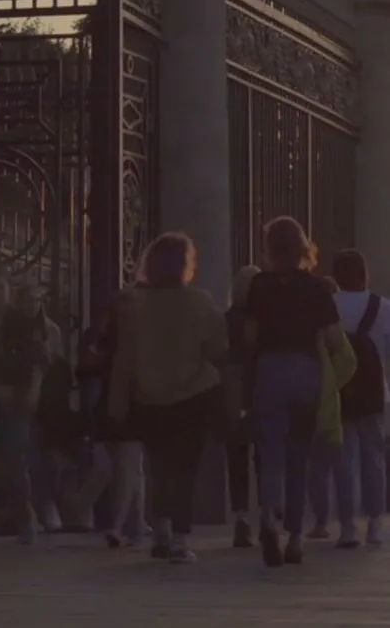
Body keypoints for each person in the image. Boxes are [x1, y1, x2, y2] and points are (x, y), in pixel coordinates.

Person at [108, 232, 228, 564]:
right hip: (192, 394)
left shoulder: (132, 304)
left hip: (147, 396)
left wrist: (117, 401)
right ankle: (179, 538)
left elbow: (123, 358)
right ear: (185, 266)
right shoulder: (199, 302)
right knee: (185, 469)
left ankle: (159, 532)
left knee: (158, 466)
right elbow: (219, 347)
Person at [245, 217, 354, 566]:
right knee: (298, 455)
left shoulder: (259, 285)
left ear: (270, 248)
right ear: (303, 247)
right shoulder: (318, 289)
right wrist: (330, 380)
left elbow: (249, 335)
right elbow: (336, 341)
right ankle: (294, 536)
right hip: (306, 370)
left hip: (270, 369)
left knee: (271, 452)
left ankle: (267, 519)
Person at [75, 299, 147, 548]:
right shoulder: (116, 343)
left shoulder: (115, 343)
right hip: (124, 411)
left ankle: (128, 525)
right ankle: (127, 525)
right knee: (128, 469)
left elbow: (86, 370)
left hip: (118, 410)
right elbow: (85, 370)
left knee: (128, 469)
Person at [331, 249, 390, 548]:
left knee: (344, 461)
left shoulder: (329, 306)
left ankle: (348, 527)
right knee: (374, 460)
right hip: (374, 394)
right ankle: (376, 523)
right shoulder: (384, 307)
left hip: (339, 391)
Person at [0, 268, 49, 543]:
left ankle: (26, 519)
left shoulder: (21, 323)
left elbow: (37, 359)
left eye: (2, 287)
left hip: (14, 397)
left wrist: (31, 389)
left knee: (15, 459)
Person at [16, 284, 69, 534]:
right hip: (21, 399)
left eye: (34, 299)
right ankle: (33, 510)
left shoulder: (51, 330)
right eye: (26, 299)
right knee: (28, 457)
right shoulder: (13, 328)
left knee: (49, 458)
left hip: (49, 406)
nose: (30, 304)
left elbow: (58, 366)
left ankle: (47, 505)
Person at [225, 265, 260, 548]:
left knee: (236, 458)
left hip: (233, 394)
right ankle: (268, 513)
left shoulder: (226, 319)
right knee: (264, 456)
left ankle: (241, 517)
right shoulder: (265, 319)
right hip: (260, 390)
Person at [307, 276, 340, 540]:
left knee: (317, 465)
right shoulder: (331, 330)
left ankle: (321, 521)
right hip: (332, 400)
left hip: (316, 401)